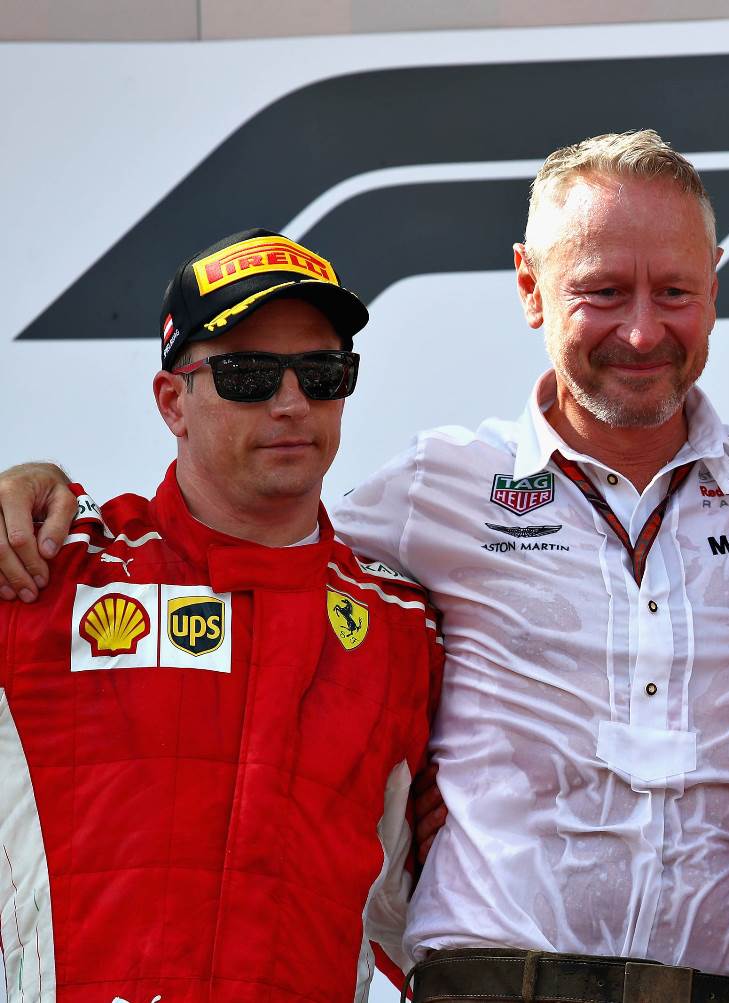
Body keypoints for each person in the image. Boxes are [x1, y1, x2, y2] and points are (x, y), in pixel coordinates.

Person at [0, 132, 729, 1003]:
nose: (642, 328)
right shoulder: (432, 489)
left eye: (674, 289)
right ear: (529, 289)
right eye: (600, 291)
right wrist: (37, 488)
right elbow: (248, 541)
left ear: (715, 289)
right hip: (493, 985)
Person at [0, 229, 443, 1002]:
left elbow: (443, 917)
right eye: (247, 373)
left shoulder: (401, 626)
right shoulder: (49, 569)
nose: (292, 402)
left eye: (322, 371)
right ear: (172, 399)